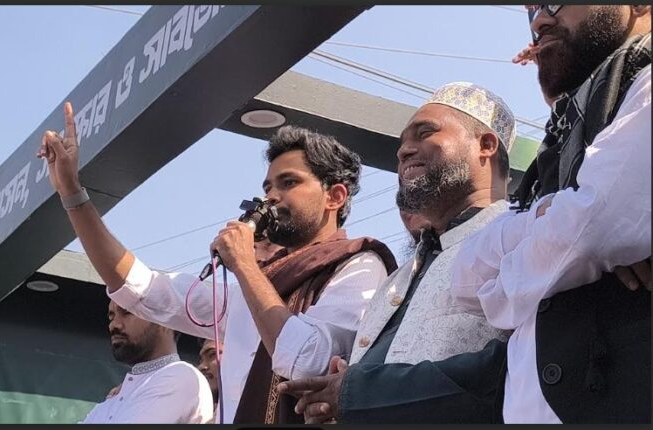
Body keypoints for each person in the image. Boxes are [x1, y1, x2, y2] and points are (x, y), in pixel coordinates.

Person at [37, 120, 398, 424]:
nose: (270, 197)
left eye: (288, 183)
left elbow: (310, 362)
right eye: (268, 187)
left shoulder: (359, 264)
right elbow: (143, 289)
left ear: (335, 196)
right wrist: (72, 193)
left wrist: (243, 264)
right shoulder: (253, 285)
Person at [450, 5, 651, 423]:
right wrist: (548, 216)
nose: (538, 21)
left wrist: (505, 284)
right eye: (531, 8)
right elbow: (464, 280)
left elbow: (595, 227)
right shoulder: (560, 144)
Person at [279, 82, 518, 423]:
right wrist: (341, 401)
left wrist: (359, 393)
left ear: (485, 145)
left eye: (425, 133)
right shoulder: (395, 281)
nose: (403, 151)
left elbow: (518, 368)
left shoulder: (524, 240)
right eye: (402, 142)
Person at [81, 300, 213, 423]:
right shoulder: (119, 394)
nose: (114, 325)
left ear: (165, 319)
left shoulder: (181, 376)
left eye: (127, 312)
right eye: (112, 317)